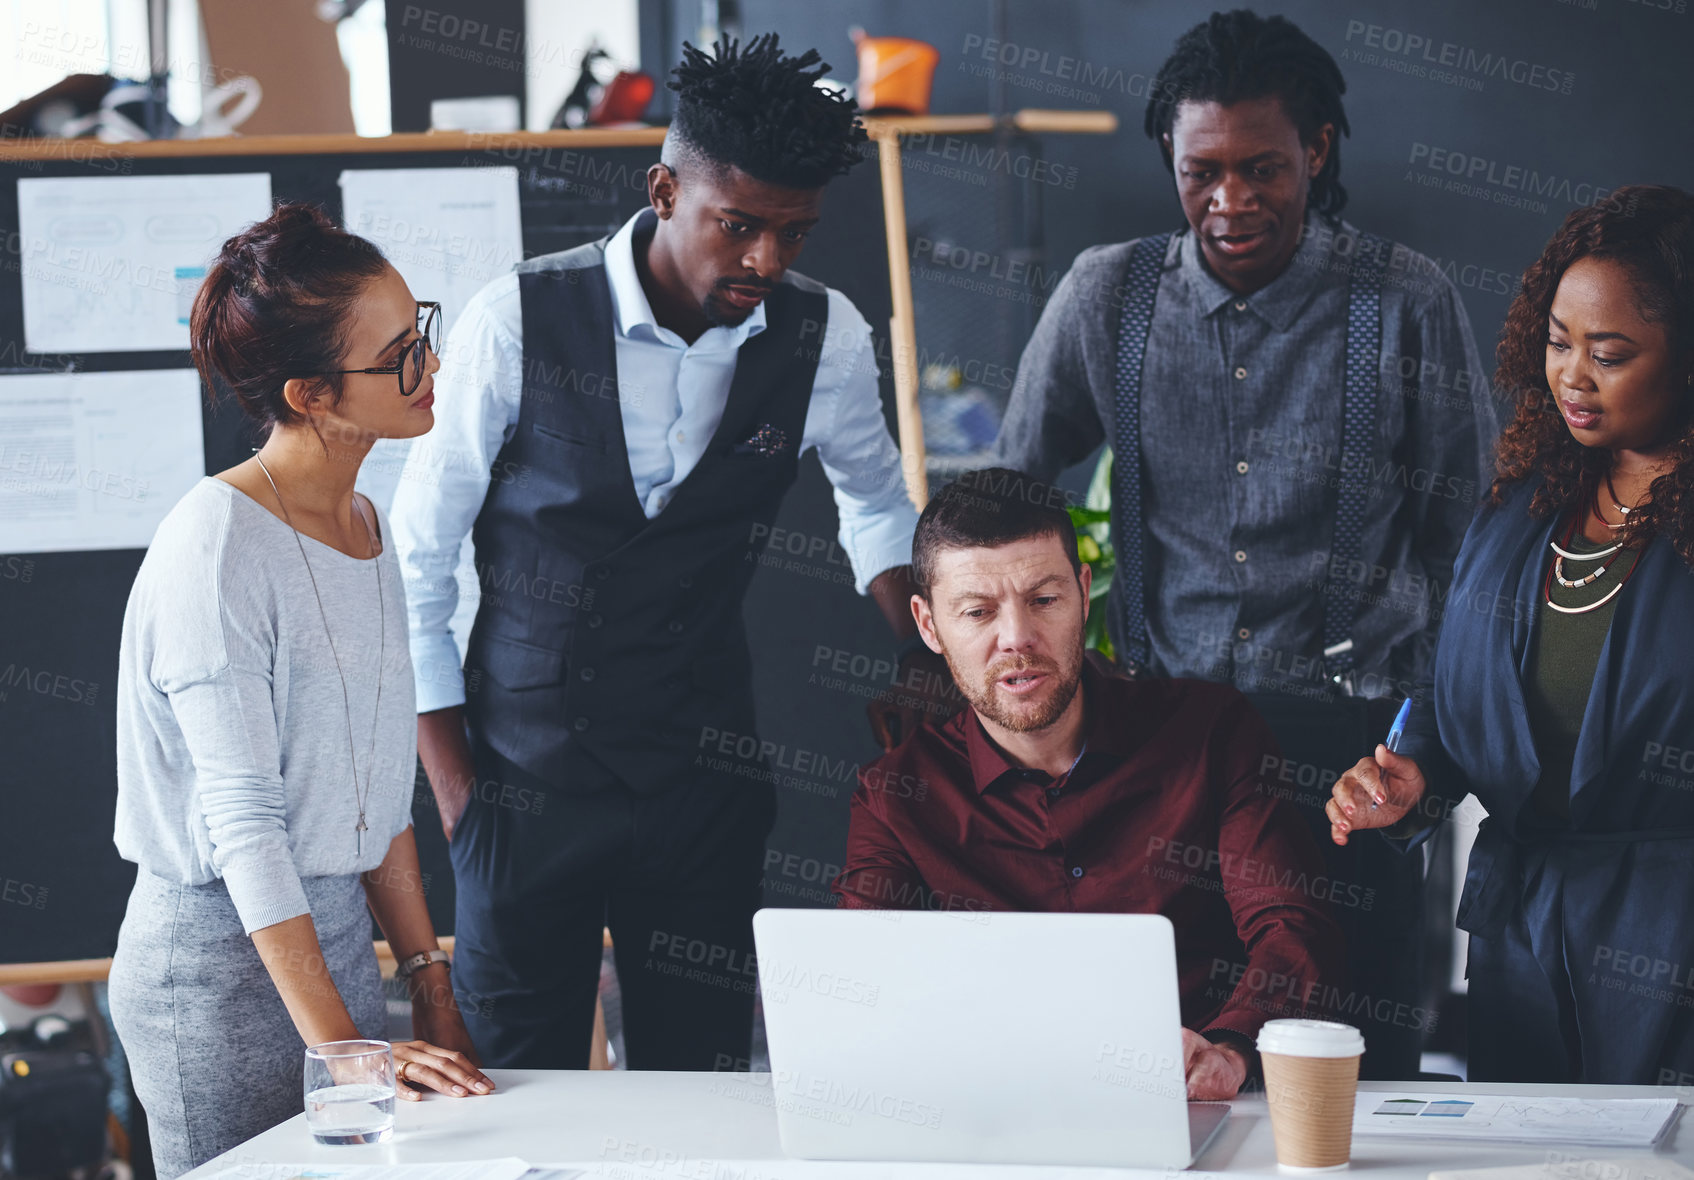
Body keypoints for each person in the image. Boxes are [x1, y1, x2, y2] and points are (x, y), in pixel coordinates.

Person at [389, 35, 938, 1072]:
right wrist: (462, 804)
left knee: (700, 1083)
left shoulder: (825, 335)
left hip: (702, 781)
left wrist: (934, 643)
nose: (766, 262)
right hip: (520, 783)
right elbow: (417, 562)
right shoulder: (517, 320)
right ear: (662, 189)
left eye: (792, 232)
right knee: (519, 1091)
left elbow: (874, 505)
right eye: (737, 227)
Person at [110, 204, 491, 1178]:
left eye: (423, 335)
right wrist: (343, 1050)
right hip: (218, 969)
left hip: (333, 951)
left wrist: (424, 973)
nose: (431, 368)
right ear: (312, 393)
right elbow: (245, 824)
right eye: (401, 353)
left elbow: (373, 776)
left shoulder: (365, 521)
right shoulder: (218, 544)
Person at [995, 8, 1498, 701]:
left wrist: (1438, 713)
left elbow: (1471, 533)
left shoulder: (1406, 299)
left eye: (1262, 169)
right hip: (1162, 713)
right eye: (1201, 173)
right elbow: (1009, 490)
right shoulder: (1104, 293)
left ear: (1316, 151)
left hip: (1361, 720)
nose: (1230, 202)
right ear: (1170, 149)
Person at [1329, 186, 1694, 1085]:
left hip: (1670, 930)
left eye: (1609, 354)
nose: (1572, 374)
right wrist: (1414, 776)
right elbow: (1465, 696)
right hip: (1521, 928)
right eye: (1559, 341)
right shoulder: (1528, 503)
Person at [833, 469, 1347, 1101]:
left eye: (1044, 600)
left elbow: (1289, 926)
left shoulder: (1211, 732)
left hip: (1200, 1104)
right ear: (929, 625)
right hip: (992, 1114)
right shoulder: (895, 795)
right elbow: (861, 984)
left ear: (1082, 593)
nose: (1017, 637)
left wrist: (1232, 1048)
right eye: (977, 612)